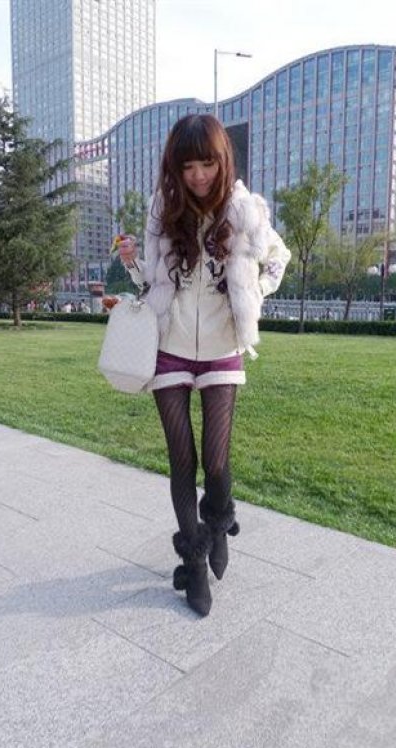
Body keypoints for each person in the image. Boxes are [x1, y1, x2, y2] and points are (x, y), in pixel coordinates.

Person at [116, 114, 291, 616]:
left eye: (206, 164)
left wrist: (252, 294)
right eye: (187, 165)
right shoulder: (163, 207)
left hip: (221, 346)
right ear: (175, 166)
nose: (197, 175)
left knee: (215, 462)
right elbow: (151, 281)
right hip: (169, 344)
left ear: (222, 161)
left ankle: (216, 524)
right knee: (181, 460)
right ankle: (193, 564)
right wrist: (133, 261)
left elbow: (278, 256)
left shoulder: (244, 209)